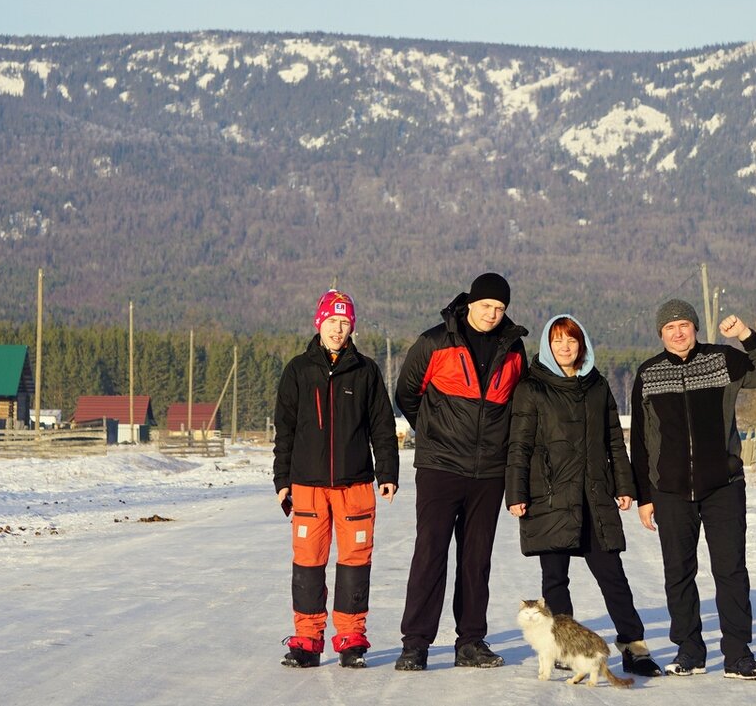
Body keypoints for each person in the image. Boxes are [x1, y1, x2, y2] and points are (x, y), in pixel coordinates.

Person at [630, 300, 756, 681]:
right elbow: (641, 440)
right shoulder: (648, 374)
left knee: (730, 569)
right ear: (660, 334)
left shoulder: (722, 360)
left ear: (695, 327)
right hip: (669, 491)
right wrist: (644, 495)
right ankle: (689, 651)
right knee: (678, 572)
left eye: (684, 324)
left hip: (723, 486)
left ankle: (738, 654)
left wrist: (746, 336)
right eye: (669, 328)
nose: (678, 332)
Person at [506, 315, 663, 677]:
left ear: (582, 345)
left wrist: (624, 486)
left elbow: (613, 440)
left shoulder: (597, 386)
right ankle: (564, 649)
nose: (565, 347)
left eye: (572, 340)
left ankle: (634, 646)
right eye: (558, 340)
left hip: (594, 495)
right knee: (555, 578)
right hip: (548, 495)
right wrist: (515, 492)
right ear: (547, 344)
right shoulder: (532, 388)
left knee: (612, 575)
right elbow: (519, 445)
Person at [393, 272, 528, 671]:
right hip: (440, 467)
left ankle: (471, 641)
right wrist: (434, 433)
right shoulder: (435, 341)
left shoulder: (514, 348)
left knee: (476, 559)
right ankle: (415, 643)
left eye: (500, 308)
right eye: (487, 306)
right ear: (470, 303)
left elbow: (519, 403)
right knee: (430, 554)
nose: (492, 314)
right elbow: (406, 394)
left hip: (489, 471)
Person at [273, 288, 399, 669]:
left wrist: (387, 472)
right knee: (308, 563)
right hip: (308, 487)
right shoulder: (298, 370)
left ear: (352, 327)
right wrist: (282, 481)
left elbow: (382, 426)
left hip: (355, 486)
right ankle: (308, 640)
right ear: (319, 323)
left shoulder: (366, 372)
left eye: (345, 323)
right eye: (332, 321)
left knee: (354, 563)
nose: (338, 329)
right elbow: (286, 430)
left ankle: (350, 638)